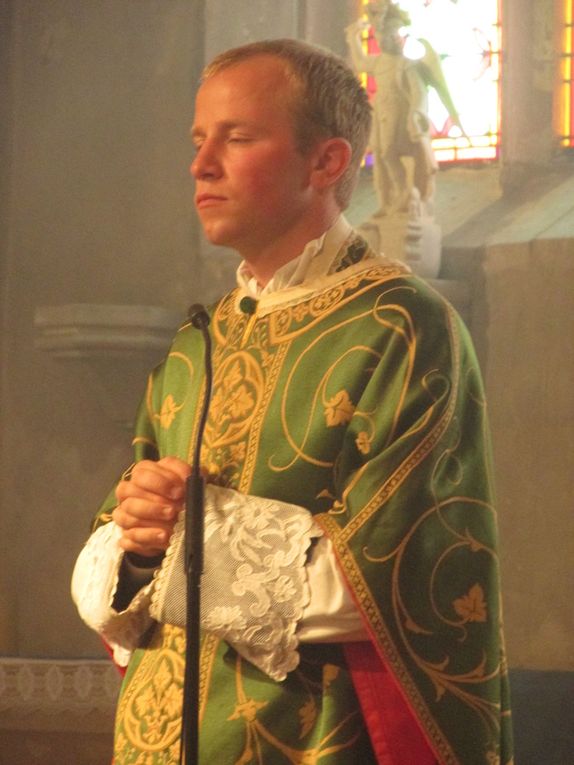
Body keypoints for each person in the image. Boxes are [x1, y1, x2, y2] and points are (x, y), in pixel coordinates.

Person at [72, 38, 512, 765]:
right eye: (197, 139)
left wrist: (190, 533)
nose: (200, 163)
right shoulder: (197, 344)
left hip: (308, 738)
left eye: (237, 137)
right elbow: (121, 556)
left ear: (326, 162)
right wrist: (138, 539)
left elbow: (400, 573)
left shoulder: (400, 326)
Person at [346, 1, 465, 216]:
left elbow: (419, 93)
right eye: (381, 37)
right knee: (382, 155)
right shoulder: (379, 62)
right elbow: (361, 63)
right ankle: (389, 199)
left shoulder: (407, 64)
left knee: (390, 151)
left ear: (399, 40)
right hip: (380, 112)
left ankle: (404, 192)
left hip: (398, 112)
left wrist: (415, 113)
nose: (385, 41)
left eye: (390, 37)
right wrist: (353, 38)